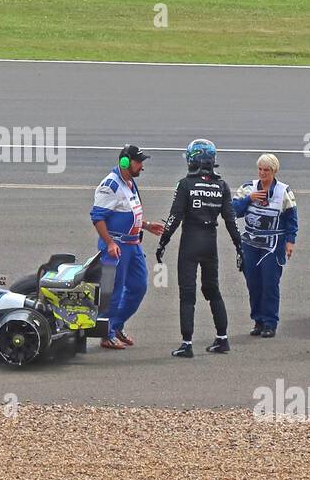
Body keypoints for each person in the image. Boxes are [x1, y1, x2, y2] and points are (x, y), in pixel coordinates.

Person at [157, 139, 242, 358]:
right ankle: (222, 339)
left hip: (190, 242)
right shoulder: (221, 185)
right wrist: (239, 246)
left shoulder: (185, 184)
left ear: (192, 159)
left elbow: (174, 216)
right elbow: (231, 220)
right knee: (212, 289)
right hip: (210, 243)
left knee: (187, 293)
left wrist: (164, 240)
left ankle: (187, 343)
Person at [91, 145, 164, 350]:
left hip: (133, 246)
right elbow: (97, 217)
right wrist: (110, 243)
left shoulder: (130, 183)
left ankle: (116, 326)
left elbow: (130, 213)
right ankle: (105, 334)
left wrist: (147, 226)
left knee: (138, 287)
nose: (141, 166)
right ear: (124, 162)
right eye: (138, 162)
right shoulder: (110, 185)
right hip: (116, 248)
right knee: (112, 293)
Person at [231, 153, 297, 338]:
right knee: (253, 282)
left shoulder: (283, 191)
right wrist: (249, 199)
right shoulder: (247, 188)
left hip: (274, 244)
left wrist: (290, 241)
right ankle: (258, 320)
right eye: (260, 169)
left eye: (266, 170)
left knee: (270, 283)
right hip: (250, 243)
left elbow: (292, 218)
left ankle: (270, 322)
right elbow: (232, 211)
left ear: (274, 171)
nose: (262, 173)